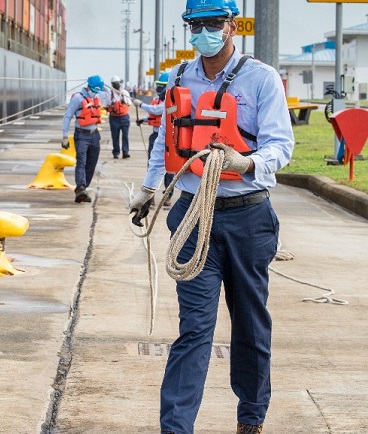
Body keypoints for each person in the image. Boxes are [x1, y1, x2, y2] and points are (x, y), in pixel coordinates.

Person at [128, 1, 294, 433]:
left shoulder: (261, 78)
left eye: (211, 24)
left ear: (231, 26)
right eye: (195, 25)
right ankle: (176, 428)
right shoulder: (180, 78)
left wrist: (247, 163)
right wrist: (151, 189)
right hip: (191, 214)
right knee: (194, 330)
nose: (203, 32)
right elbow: (166, 137)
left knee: (250, 325)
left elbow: (281, 146)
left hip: (247, 218)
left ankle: (251, 418)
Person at [133, 72, 175, 207]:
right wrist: (144, 120)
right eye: (158, 85)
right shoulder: (158, 99)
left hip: (170, 137)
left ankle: (167, 196)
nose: (158, 88)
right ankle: (149, 196)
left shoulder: (171, 100)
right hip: (155, 135)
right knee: (153, 165)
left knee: (169, 167)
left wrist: (140, 105)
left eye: (162, 85)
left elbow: (157, 111)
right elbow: (157, 117)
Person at [62, 75, 104, 203]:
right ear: (88, 87)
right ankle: (80, 187)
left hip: (94, 134)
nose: (95, 93)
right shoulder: (77, 98)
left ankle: (83, 188)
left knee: (92, 163)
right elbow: (67, 116)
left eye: (97, 91)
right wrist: (64, 136)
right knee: (81, 161)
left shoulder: (96, 98)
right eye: (94, 90)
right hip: (82, 135)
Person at [103, 75, 132, 159]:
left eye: (118, 83)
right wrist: (112, 109)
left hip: (124, 117)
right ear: (112, 84)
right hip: (114, 118)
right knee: (115, 136)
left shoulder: (125, 93)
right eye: (115, 83)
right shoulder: (109, 95)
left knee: (125, 135)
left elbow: (129, 103)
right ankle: (116, 152)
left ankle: (125, 151)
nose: (117, 84)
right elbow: (105, 106)